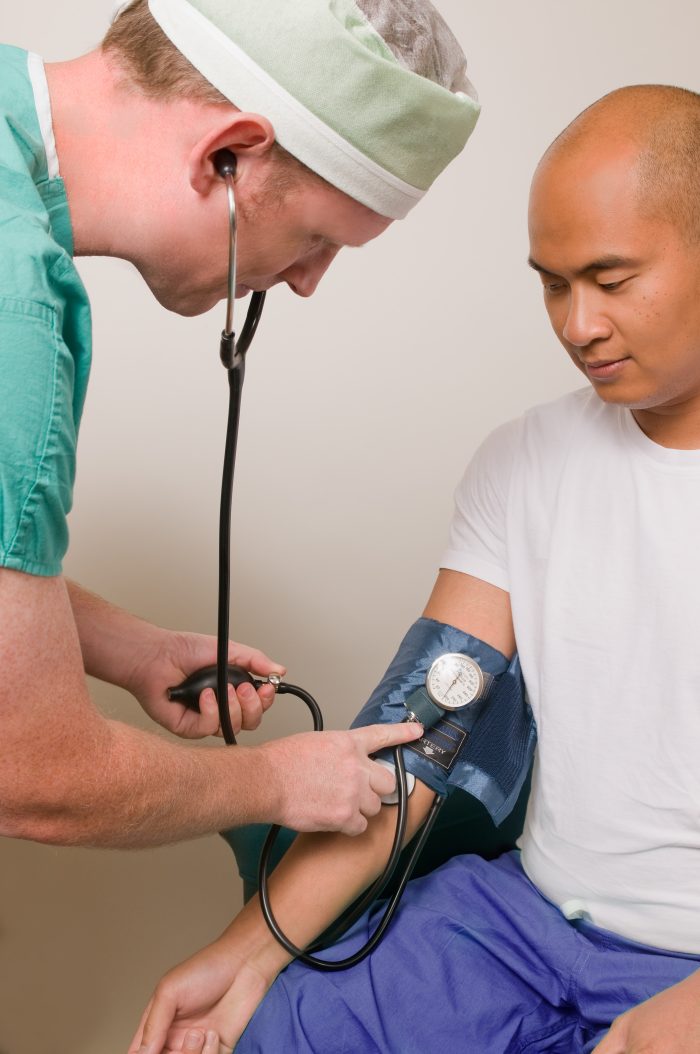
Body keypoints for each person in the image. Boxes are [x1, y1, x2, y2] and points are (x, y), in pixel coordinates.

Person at [129, 83, 700, 1054]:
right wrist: (249, 953)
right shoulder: (523, 464)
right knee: (275, 1031)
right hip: (522, 923)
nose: (577, 324)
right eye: (552, 283)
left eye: (611, 278)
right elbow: (424, 740)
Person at [0, 1, 480, 850]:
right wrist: (276, 779)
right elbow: (33, 775)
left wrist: (128, 648)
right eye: (316, 239)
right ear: (227, 155)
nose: (305, 283)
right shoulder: (16, 313)